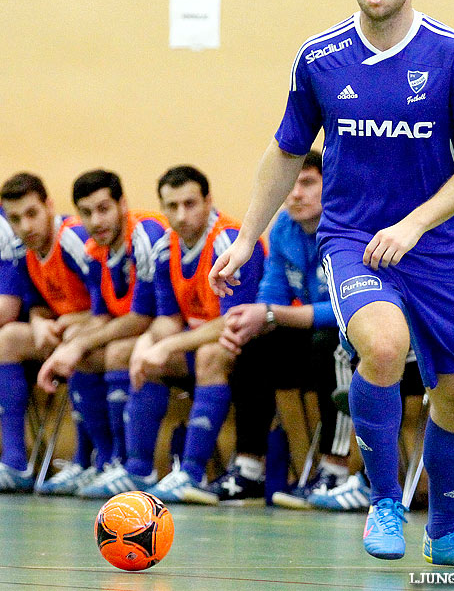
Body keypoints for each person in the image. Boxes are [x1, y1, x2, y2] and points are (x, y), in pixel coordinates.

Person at [209, 0, 454, 569]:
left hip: (434, 249)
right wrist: (244, 239)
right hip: (354, 241)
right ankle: (382, 499)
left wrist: (415, 224)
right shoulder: (320, 57)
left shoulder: (452, 54)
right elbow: (286, 150)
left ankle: (448, 533)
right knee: (381, 343)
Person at [80, 165, 265, 502]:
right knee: (127, 352)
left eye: (190, 204)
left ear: (208, 201)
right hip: (200, 340)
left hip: (252, 343)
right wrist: (148, 343)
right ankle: (135, 468)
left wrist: (167, 346)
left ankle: (191, 473)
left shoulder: (230, 241)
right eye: (171, 206)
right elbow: (167, 318)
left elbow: (232, 322)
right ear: (162, 207)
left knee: (209, 355)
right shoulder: (166, 246)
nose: (181, 215)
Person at [220, 150, 353, 508]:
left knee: (331, 344)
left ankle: (335, 471)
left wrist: (269, 313)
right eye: (290, 185)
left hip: (360, 339)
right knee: (253, 346)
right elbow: (272, 295)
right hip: (312, 339)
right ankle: (249, 468)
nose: (295, 194)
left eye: (307, 183)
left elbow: (347, 309)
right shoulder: (283, 228)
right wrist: (248, 323)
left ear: (332, 183)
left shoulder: (349, 226)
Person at [35, 169, 167, 494]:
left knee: (113, 351)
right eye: (86, 212)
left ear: (123, 204)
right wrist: (72, 344)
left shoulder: (146, 237)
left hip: (169, 326)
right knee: (78, 344)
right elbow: (102, 316)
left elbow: (141, 318)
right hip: (143, 328)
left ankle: (130, 465)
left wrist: (77, 346)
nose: (96, 221)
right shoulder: (96, 250)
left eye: (104, 208)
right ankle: (98, 460)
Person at [0, 173, 106, 493]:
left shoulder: (73, 239)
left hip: (102, 330)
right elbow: (38, 305)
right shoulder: (26, 250)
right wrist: (37, 323)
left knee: (74, 339)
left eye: (32, 214)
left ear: (49, 206)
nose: (25, 226)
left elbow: (112, 306)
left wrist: (73, 322)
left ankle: (86, 460)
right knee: (7, 340)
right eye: (15, 219)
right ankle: (16, 461)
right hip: (65, 330)